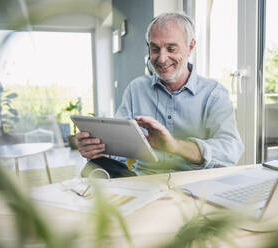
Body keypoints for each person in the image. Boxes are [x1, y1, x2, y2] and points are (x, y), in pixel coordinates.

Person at [76, 12, 244, 177]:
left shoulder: (214, 94)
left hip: (194, 183)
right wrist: (98, 149)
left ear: (190, 47)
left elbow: (231, 150)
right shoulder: (136, 89)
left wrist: (175, 146)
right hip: (143, 181)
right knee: (93, 170)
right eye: (155, 49)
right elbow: (119, 150)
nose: (162, 58)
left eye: (171, 48)